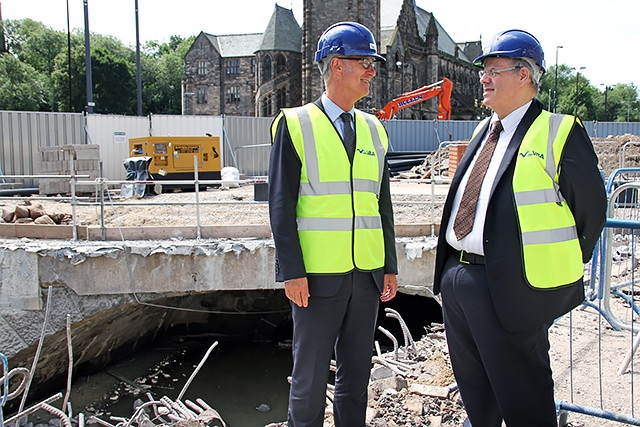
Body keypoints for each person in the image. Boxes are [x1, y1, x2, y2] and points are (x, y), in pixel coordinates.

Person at [433, 29, 607, 427]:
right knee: (478, 397)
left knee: (525, 400)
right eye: (484, 71)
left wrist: (552, 269)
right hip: (459, 279)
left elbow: (591, 211)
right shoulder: (483, 130)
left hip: (511, 287)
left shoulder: (559, 130)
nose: (483, 78)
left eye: (493, 69)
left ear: (524, 75)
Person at [267, 21, 399, 427]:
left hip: (366, 275)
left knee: (355, 376)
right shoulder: (295, 123)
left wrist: (389, 265)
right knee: (308, 377)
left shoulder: (375, 129)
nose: (372, 71)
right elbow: (280, 204)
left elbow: (382, 203)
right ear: (337, 65)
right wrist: (291, 271)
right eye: (365, 62)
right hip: (317, 276)